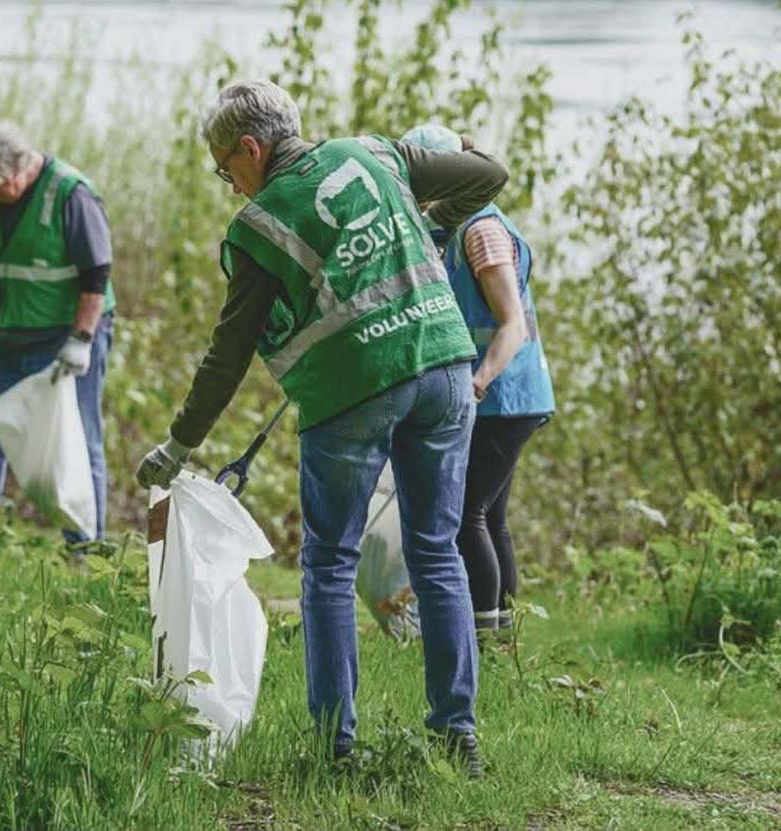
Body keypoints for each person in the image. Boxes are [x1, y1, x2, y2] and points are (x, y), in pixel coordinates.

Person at [135, 81, 509, 775]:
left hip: (352, 393)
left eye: (226, 168)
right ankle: (458, 736)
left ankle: (338, 747)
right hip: (444, 367)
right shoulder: (377, 154)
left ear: (251, 148)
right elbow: (489, 173)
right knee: (436, 551)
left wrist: (179, 444)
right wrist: (432, 227)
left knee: (330, 563)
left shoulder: (259, 225)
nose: (230, 184)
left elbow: (227, 356)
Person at [0, 123, 116, 545]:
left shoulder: (71, 194)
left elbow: (97, 273)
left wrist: (81, 339)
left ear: (17, 168)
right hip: (15, 332)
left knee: (79, 440)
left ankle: (86, 548)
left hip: (70, 333)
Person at [401, 124, 556, 633]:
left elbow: (511, 325)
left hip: (503, 397)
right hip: (509, 396)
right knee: (490, 516)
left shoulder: (481, 231)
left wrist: (477, 382)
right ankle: (503, 637)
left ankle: (482, 637)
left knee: (467, 512)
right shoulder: (457, 227)